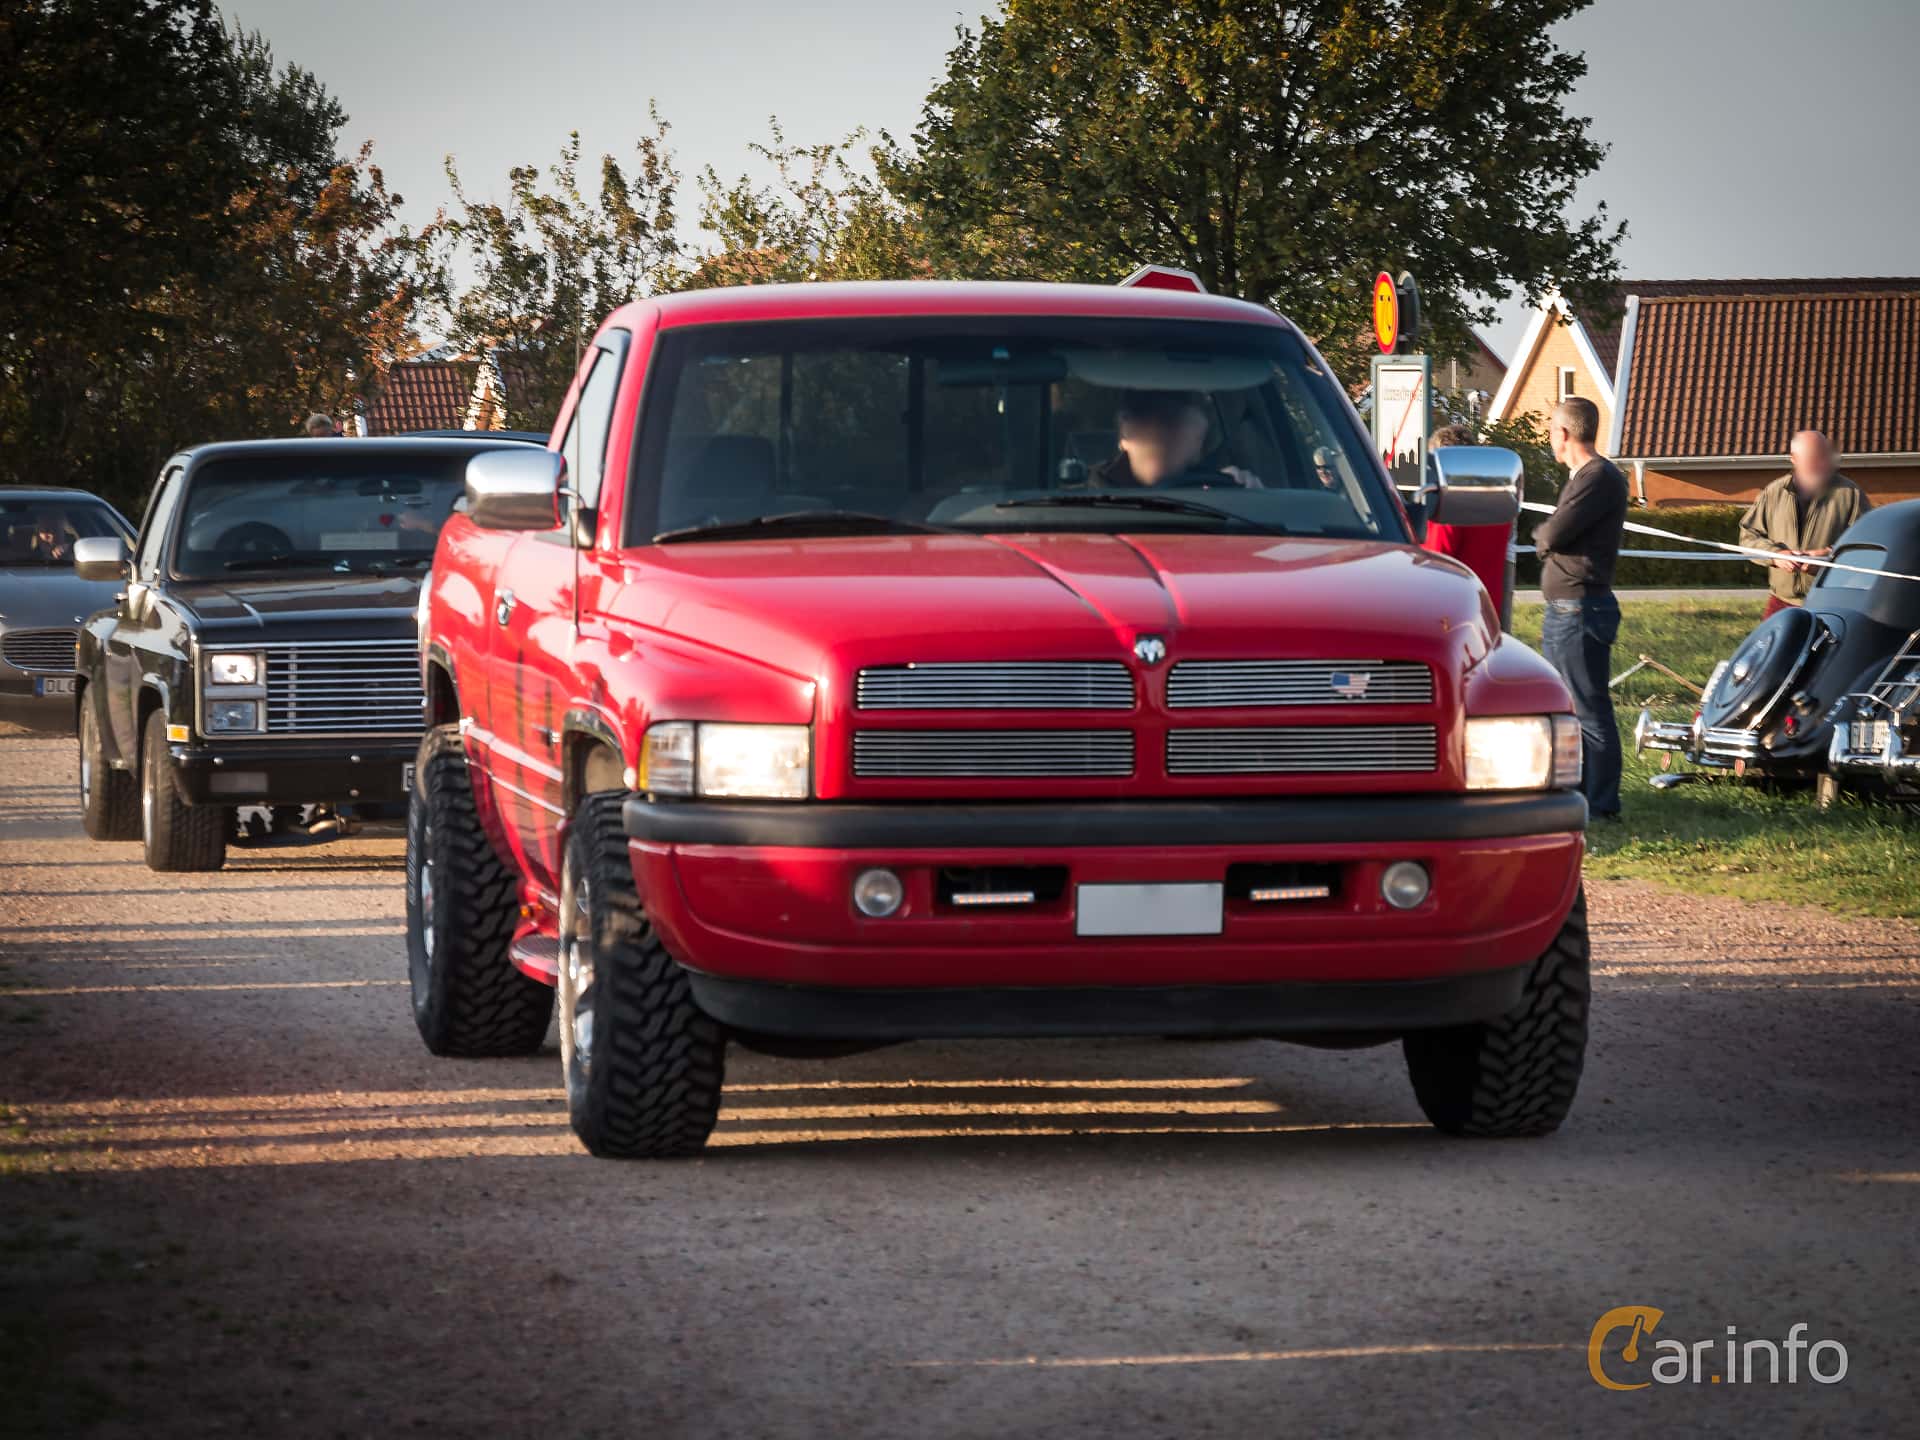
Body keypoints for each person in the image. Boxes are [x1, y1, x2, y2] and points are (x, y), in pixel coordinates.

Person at [1534, 396, 1629, 821]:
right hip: (1568, 608)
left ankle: (1602, 803)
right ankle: (1581, 793)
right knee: (1571, 705)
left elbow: (1553, 533)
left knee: (1588, 709)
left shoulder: (1598, 477)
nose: (1550, 437)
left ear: (1565, 433)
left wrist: (1542, 537)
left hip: (1581, 609)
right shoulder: (1584, 477)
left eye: (1552, 429)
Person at [1737, 430, 1869, 617]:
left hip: (1832, 602)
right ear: (1794, 459)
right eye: (1813, 458)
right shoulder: (1773, 492)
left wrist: (1828, 557)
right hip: (1781, 602)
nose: (1821, 464)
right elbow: (1748, 537)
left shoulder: (1850, 494)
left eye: (1824, 456)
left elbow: (1868, 546)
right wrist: (1776, 556)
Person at [1090, 390, 1260, 489]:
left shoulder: (1217, 490)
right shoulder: (1085, 494)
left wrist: (1248, 498)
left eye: (1177, 422)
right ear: (1124, 430)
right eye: (1152, 417)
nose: (1161, 432)